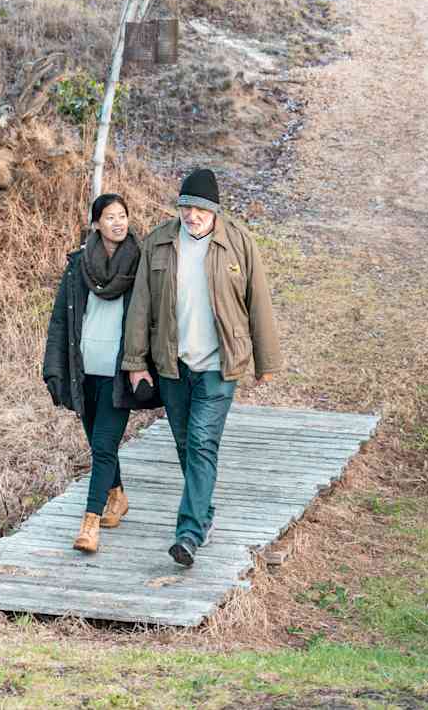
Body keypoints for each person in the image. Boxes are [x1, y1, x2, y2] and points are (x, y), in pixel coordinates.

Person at [122, 168, 283, 567]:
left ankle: (189, 533)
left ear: (215, 211)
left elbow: (258, 302)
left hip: (218, 366)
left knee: (200, 443)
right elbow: (141, 306)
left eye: (199, 209)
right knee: (185, 445)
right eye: (185, 207)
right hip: (173, 365)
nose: (191, 215)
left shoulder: (238, 244)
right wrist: (135, 362)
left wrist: (267, 361)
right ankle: (204, 513)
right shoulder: (158, 242)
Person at [42, 193, 159, 554]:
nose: (118, 222)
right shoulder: (79, 265)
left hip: (119, 373)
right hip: (84, 371)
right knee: (99, 445)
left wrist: (147, 366)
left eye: (123, 215)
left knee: (105, 447)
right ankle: (117, 496)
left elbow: (153, 321)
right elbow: (62, 318)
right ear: (96, 224)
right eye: (110, 217)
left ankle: (89, 525)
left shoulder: (140, 265)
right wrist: (54, 367)